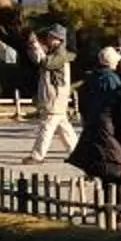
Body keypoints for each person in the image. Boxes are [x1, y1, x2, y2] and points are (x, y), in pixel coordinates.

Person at [67, 45, 121, 198]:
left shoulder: (91, 79)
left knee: (107, 170)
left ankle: (109, 205)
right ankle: (116, 208)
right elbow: (119, 105)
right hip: (110, 129)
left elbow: (84, 105)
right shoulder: (112, 80)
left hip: (93, 127)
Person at [26, 25, 78, 164]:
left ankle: (38, 156)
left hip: (56, 96)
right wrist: (34, 46)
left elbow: (46, 63)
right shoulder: (56, 52)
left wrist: (37, 46)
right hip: (56, 96)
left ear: (58, 39)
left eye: (51, 37)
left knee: (47, 126)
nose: (48, 39)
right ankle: (78, 154)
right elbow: (39, 60)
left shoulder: (60, 54)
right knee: (64, 128)